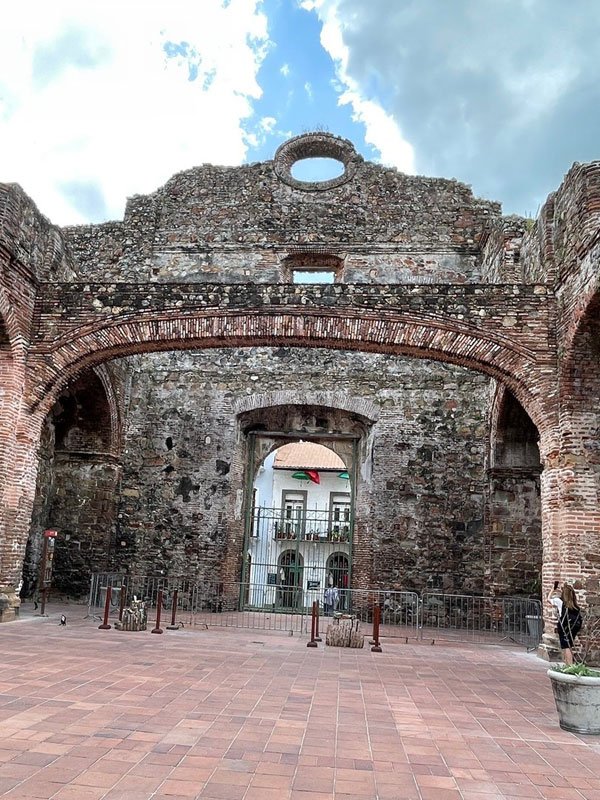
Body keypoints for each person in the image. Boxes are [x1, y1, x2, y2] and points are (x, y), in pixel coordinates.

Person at [548, 581, 583, 665]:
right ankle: (568, 664)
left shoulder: (560, 602)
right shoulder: (575, 605)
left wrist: (553, 590)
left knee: (566, 647)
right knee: (569, 645)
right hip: (573, 627)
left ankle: (569, 665)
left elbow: (548, 599)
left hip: (564, 627)